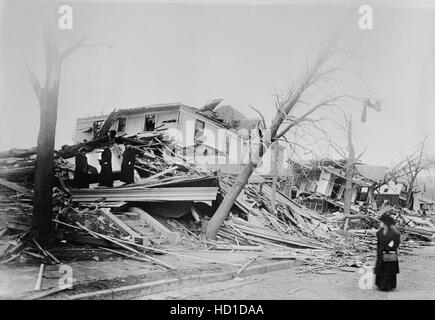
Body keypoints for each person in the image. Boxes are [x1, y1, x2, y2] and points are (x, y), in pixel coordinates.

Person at [374, 213, 400, 292]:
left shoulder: (394, 234)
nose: (380, 223)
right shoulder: (379, 233)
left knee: (388, 270)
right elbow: (378, 244)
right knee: (381, 269)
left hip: (390, 254)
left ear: (385, 224)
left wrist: (389, 247)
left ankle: (388, 286)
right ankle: (380, 284)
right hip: (381, 254)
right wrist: (378, 253)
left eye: (381, 222)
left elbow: (396, 244)